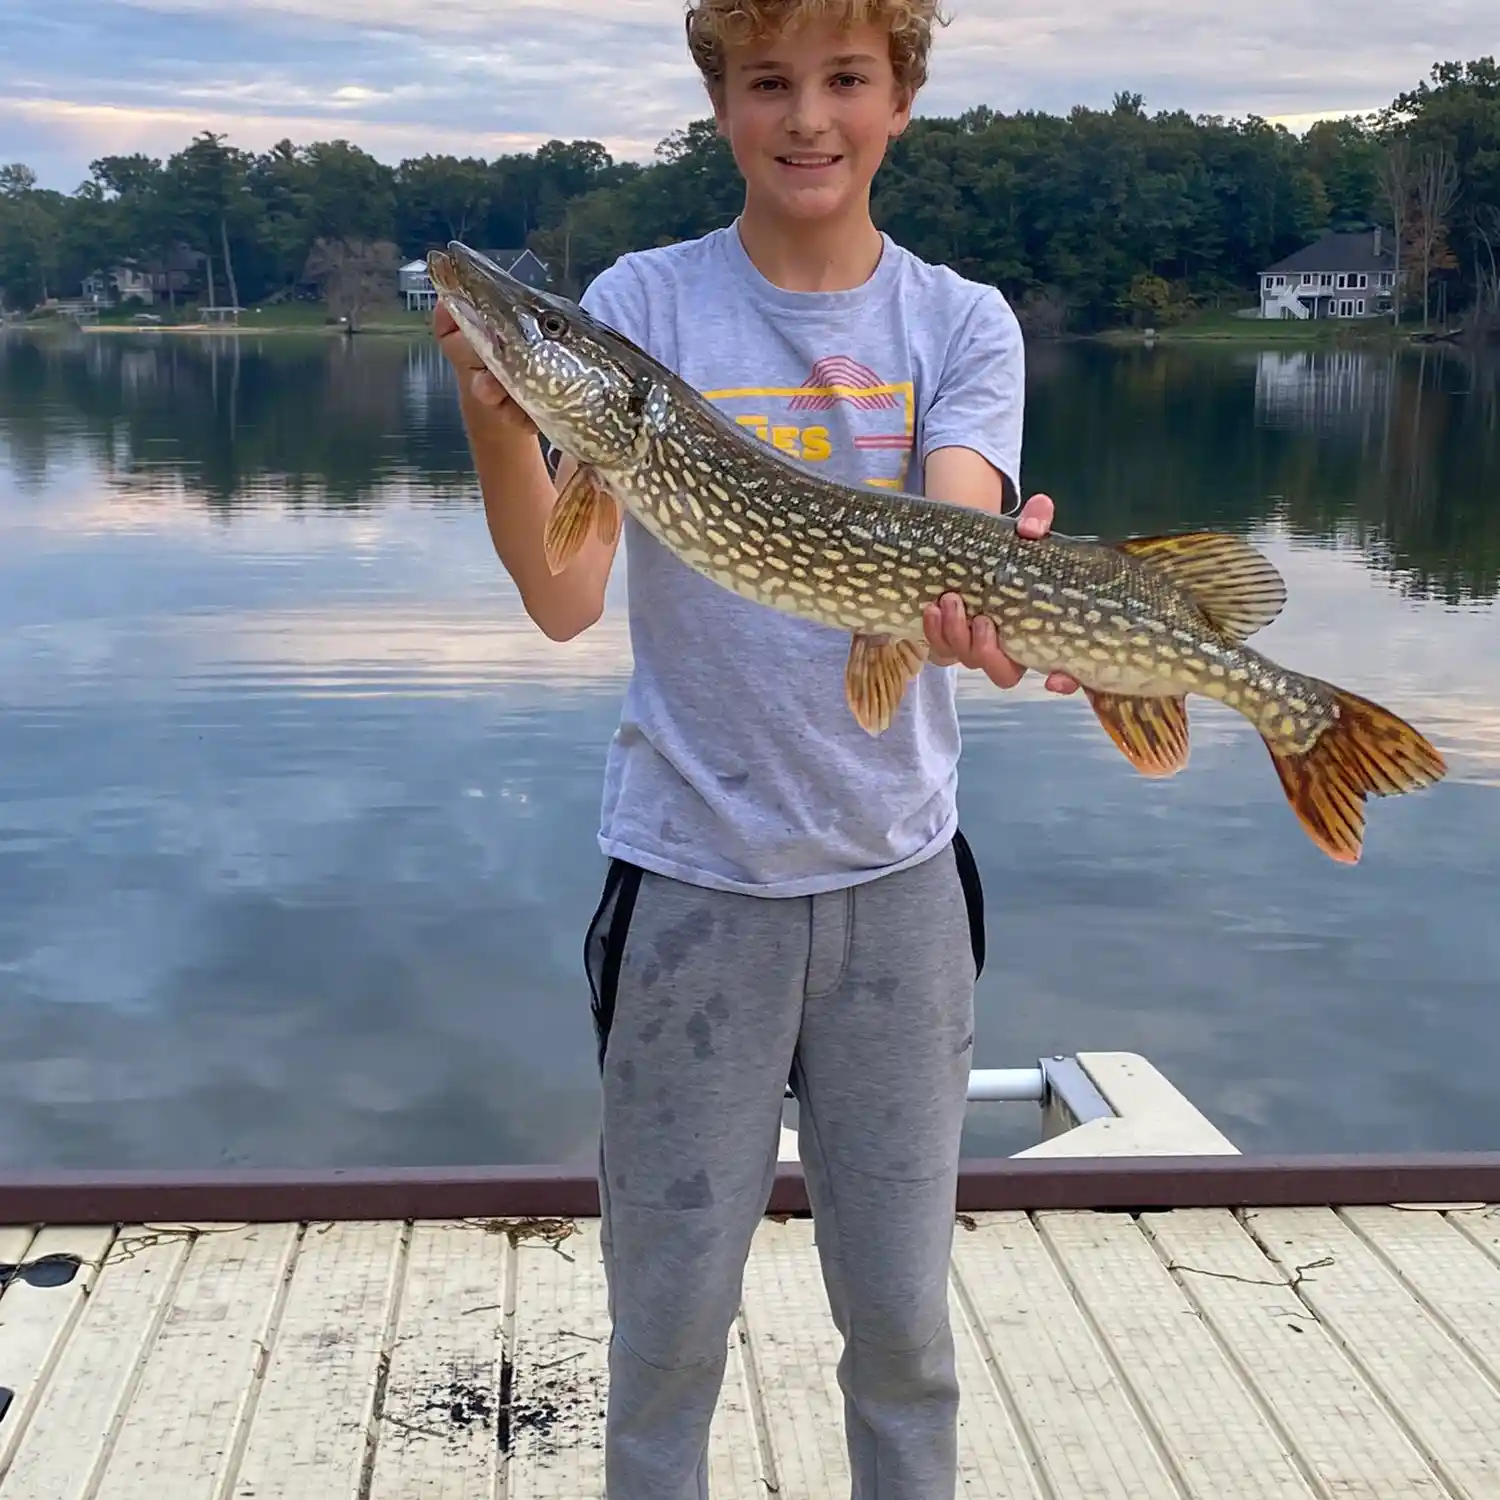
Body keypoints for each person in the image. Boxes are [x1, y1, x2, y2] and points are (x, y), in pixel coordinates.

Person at [436, 1, 1078, 1493]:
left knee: (905, 1333)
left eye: (845, 79)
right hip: (691, 885)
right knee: (666, 1337)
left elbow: (956, 516)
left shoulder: (960, 323)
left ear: (899, 100)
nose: (807, 117)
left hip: (901, 894)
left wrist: (987, 588)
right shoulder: (644, 310)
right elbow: (560, 595)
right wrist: (498, 400)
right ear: (719, 104)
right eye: (768, 82)